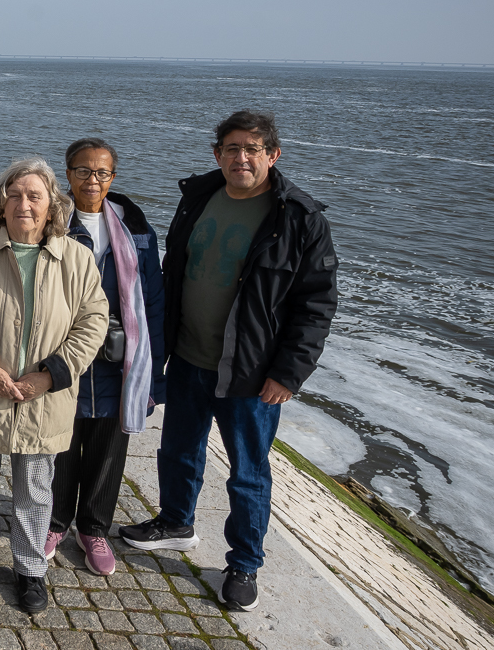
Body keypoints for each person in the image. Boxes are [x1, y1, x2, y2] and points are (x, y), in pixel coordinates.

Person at [120, 111, 337, 612]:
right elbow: (175, 271)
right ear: (217, 154)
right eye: (232, 148)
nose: (242, 158)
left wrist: (288, 373)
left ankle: (244, 562)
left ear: (272, 156)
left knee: (247, 473)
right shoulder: (198, 197)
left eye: (253, 149)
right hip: (190, 357)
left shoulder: (300, 219)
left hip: (251, 372)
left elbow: (317, 303)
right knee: (178, 450)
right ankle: (176, 522)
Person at [0, 157, 108, 616]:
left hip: (44, 397)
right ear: (1, 202)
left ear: (52, 204)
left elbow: (93, 322)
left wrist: (50, 374)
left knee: (35, 486)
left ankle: (31, 568)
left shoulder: (77, 258)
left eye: (34, 195)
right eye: (14, 195)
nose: (23, 204)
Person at [46, 138, 165, 577]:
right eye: (83, 171)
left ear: (113, 178)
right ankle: (55, 523)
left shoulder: (135, 230)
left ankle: (94, 528)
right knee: (60, 444)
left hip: (121, 361)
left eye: (102, 173)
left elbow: (152, 300)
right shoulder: (51, 224)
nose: (92, 181)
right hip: (65, 355)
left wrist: (155, 372)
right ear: (68, 174)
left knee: (109, 449)